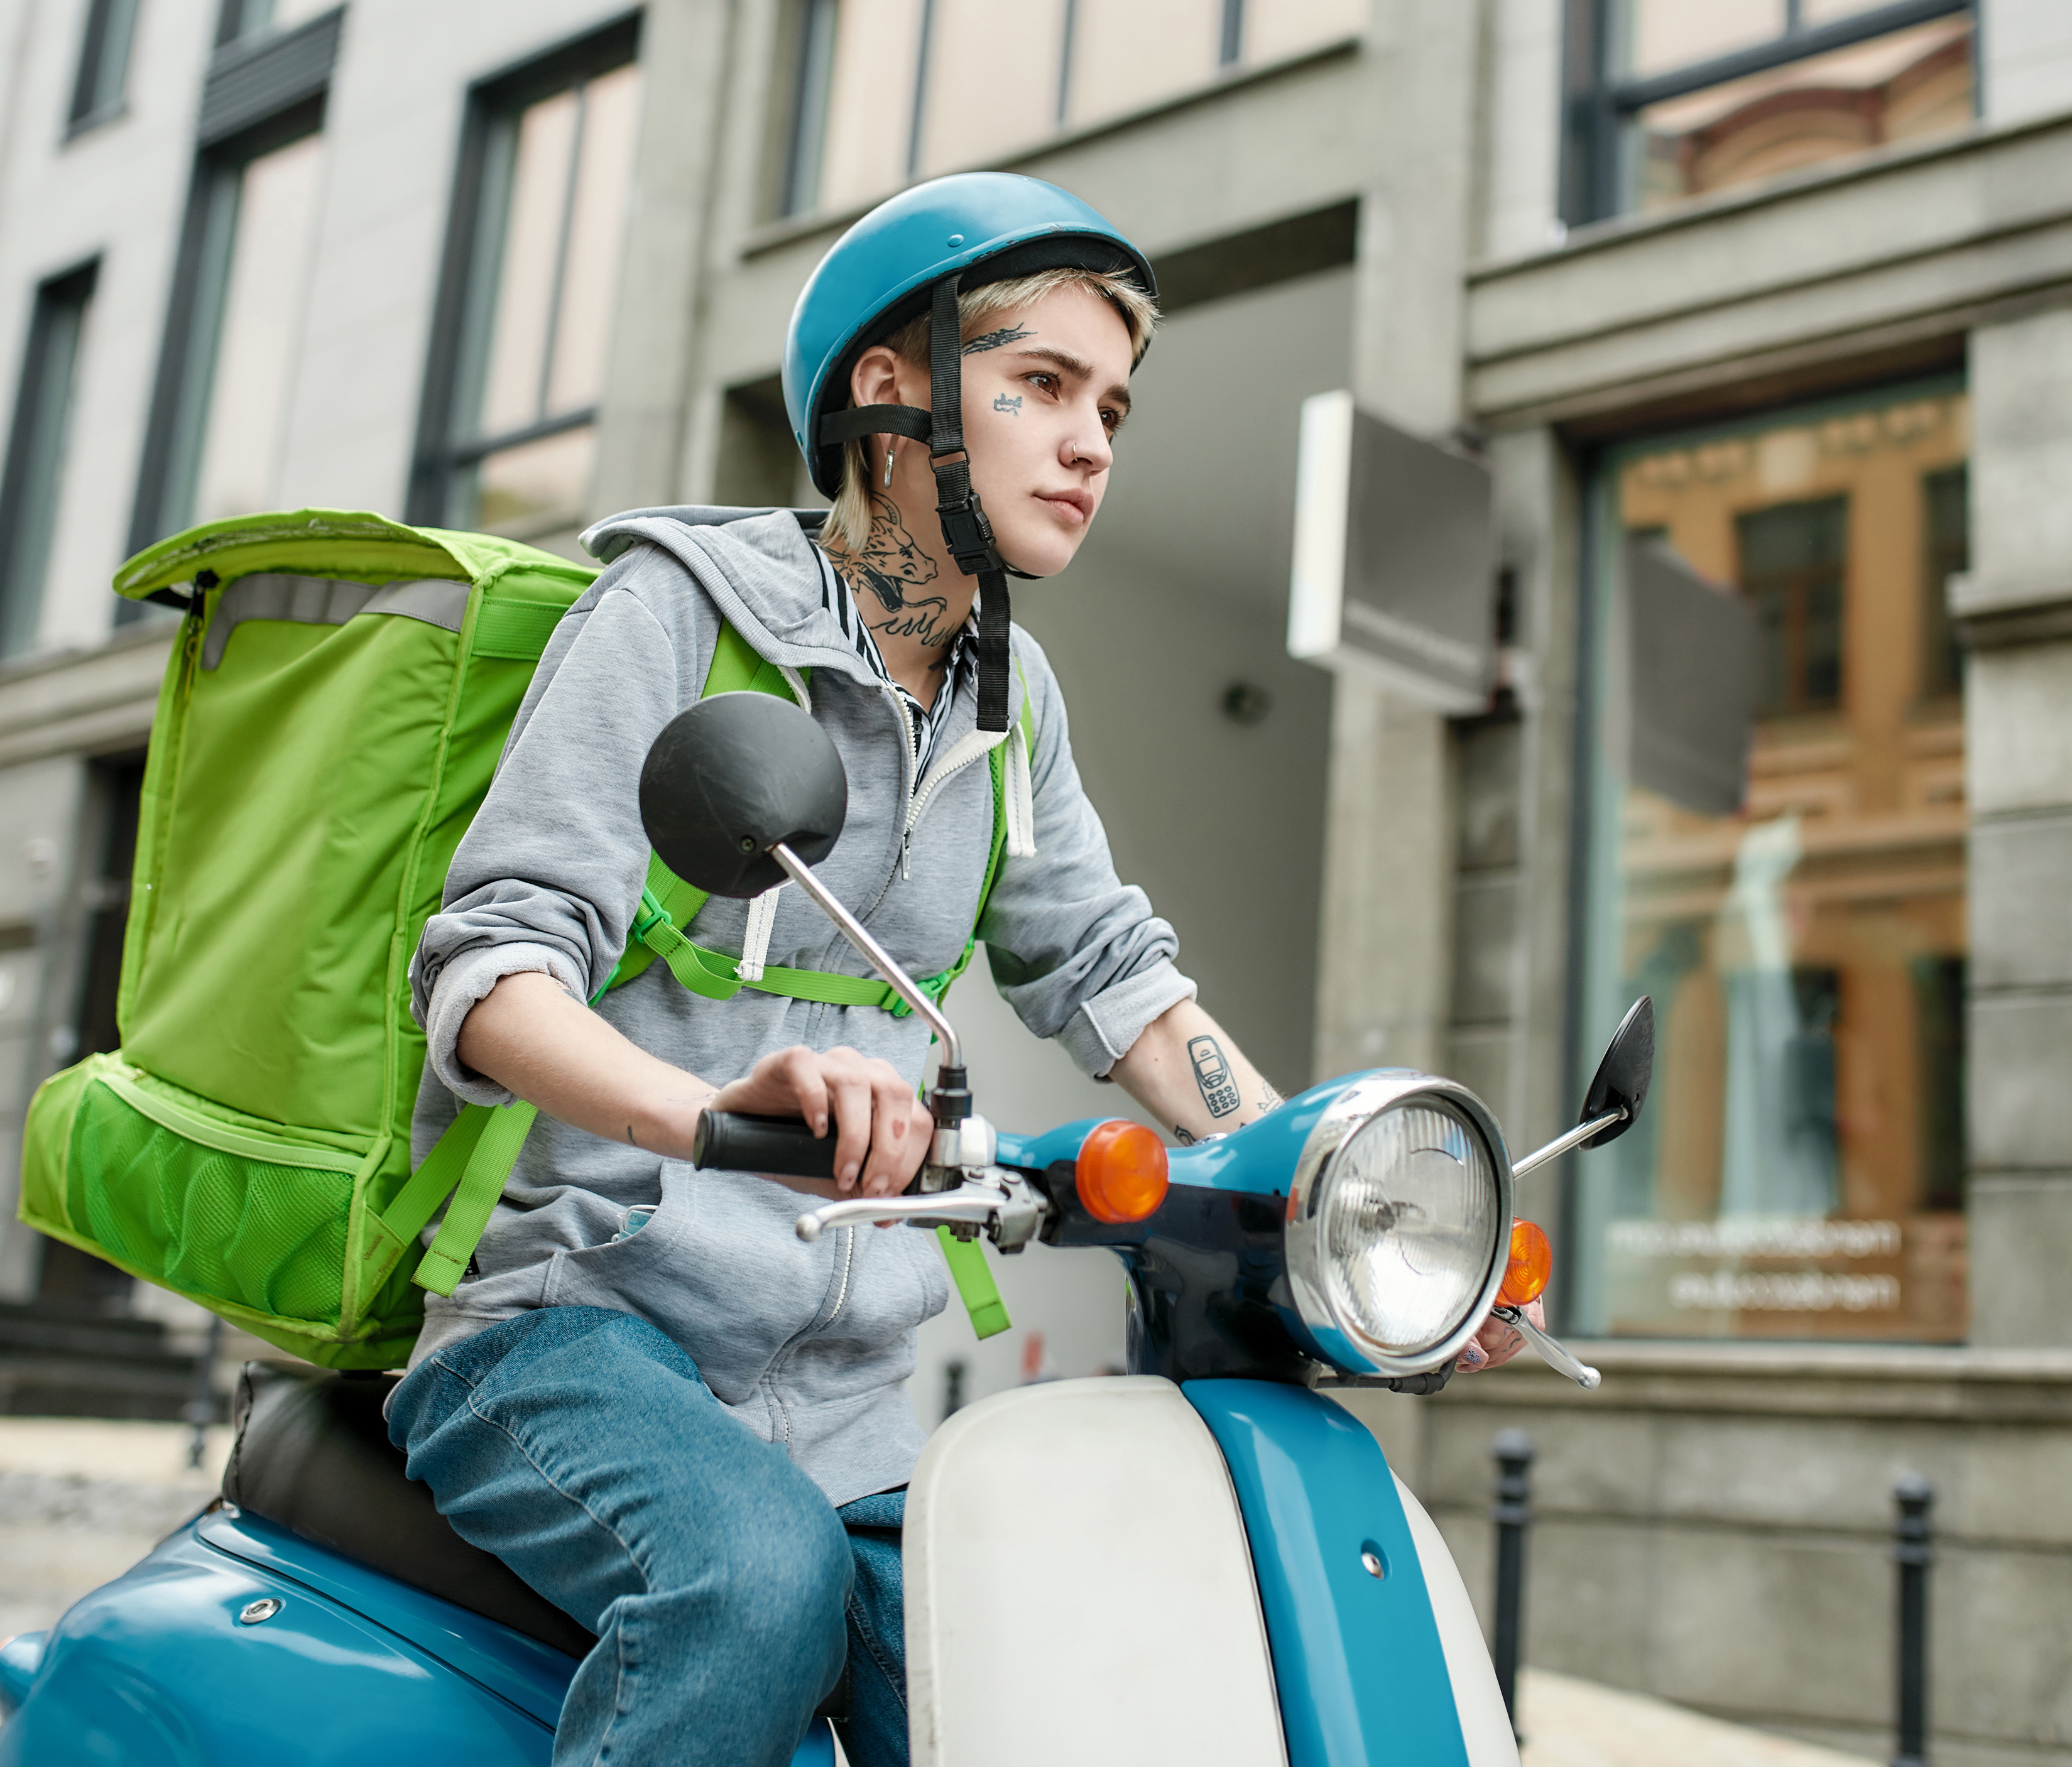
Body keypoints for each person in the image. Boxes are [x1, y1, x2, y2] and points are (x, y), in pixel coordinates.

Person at [388, 173, 1535, 1767]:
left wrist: (1345, 1208)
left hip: (835, 1378)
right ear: (890, 392)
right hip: (571, 1320)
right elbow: (493, 977)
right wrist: (715, 1111)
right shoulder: (676, 614)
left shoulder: (1011, 702)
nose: (1090, 446)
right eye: (1041, 386)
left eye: (1112, 410)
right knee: (754, 1590)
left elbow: (1111, 970)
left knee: (1036, 1672)